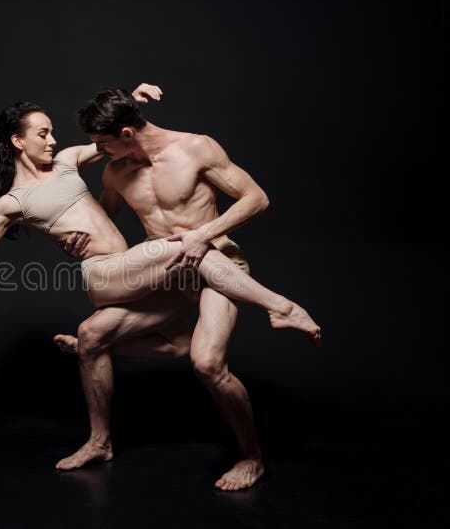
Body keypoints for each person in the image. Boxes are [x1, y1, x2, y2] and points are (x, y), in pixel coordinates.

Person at [0, 88, 321, 486]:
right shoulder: (48, 192)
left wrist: (129, 101)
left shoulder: (98, 159)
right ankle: (276, 308)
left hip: (203, 262)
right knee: (153, 276)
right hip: (140, 267)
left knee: (162, 348)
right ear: (18, 142)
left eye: (55, 132)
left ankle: (240, 446)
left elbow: (116, 138)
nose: (56, 140)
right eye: (44, 133)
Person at [53, 87, 300, 490]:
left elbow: (256, 198)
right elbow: (103, 225)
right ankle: (100, 442)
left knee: (206, 364)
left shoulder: (196, 148)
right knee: (91, 334)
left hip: (218, 263)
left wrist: (203, 234)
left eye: (101, 143)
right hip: (170, 271)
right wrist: (76, 240)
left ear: (127, 133)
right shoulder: (116, 171)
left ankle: (251, 457)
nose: (96, 150)